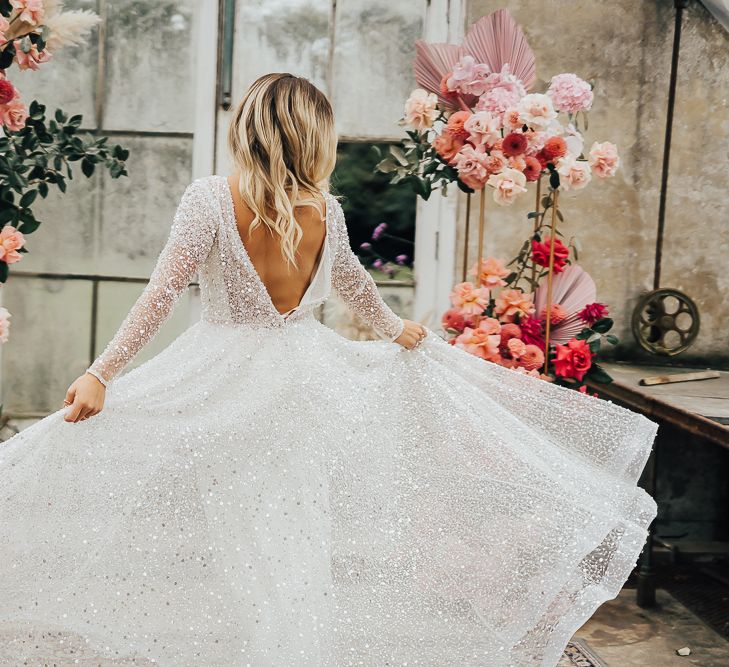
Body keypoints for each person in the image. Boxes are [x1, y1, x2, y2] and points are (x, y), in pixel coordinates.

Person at [0, 73, 658, 666]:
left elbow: (161, 294)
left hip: (222, 382)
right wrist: (400, 331)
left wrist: (102, 372)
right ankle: (287, 646)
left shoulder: (210, 199)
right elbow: (361, 294)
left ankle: (274, 647)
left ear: (247, 130)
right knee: (293, 538)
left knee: (247, 540)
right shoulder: (327, 212)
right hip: (298, 387)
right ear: (313, 139)